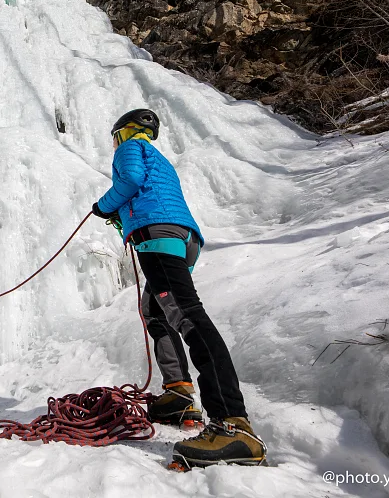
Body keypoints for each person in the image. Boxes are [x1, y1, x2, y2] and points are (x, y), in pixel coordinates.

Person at [92, 108, 267, 471]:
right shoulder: (160, 159)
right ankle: (178, 393)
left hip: (157, 235)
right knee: (157, 310)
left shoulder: (131, 148)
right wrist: (122, 215)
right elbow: (148, 191)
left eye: (114, 137)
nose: (114, 144)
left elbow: (132, 179)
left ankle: (232, 424)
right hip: (182, 238)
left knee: (186, 314)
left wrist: (103, 206)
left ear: (123, 132)